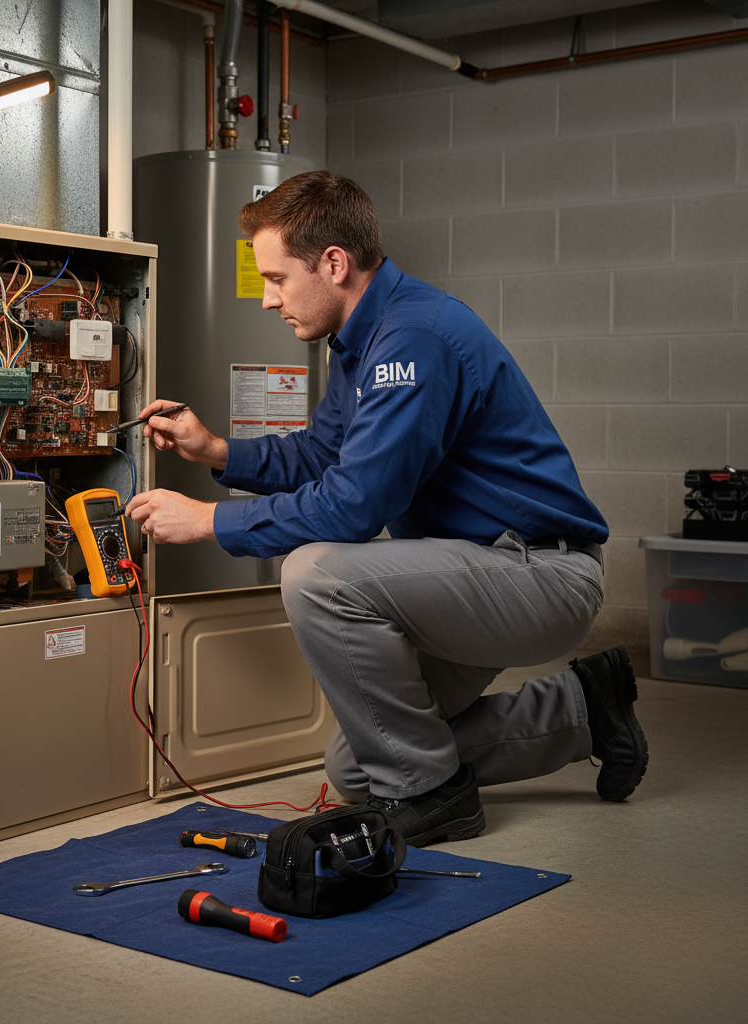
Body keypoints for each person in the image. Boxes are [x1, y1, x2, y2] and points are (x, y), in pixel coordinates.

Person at [125, 170, 648, 847]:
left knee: (317, 573)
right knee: (359, 767)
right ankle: (586, 709)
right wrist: (217, 451)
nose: (266, 301)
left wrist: (207, 521)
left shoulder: (414, 338)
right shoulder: (362, 341)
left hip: (539, 575)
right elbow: (323, 457)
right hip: (473, 571)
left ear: (334, 264)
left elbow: (353, 507)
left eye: (278, 279)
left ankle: (436, 798)